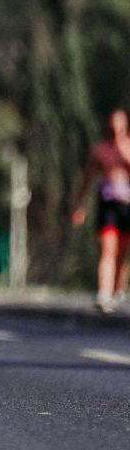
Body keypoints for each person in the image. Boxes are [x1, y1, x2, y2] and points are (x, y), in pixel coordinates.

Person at [71, 109, 130, 313]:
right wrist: (78, 205)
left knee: (122, 252)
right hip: (108, 205)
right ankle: (104, 292)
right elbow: (86, 179)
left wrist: (124, 153)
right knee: (108, 248)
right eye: (112, 126)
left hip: (127, 206)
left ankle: (117, 288)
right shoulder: (100, 151)